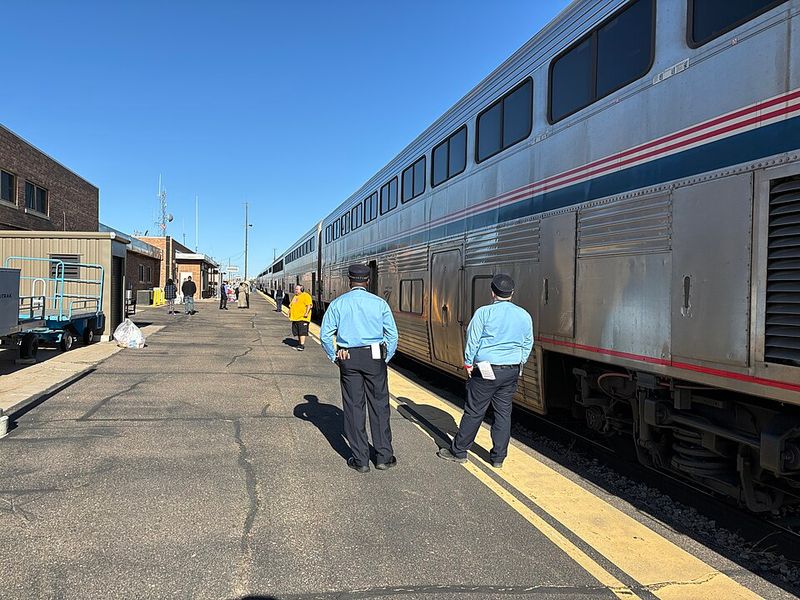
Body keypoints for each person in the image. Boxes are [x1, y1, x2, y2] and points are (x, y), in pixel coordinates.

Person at [437, 274, 533, 469]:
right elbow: (527, 342)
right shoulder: (524, 315)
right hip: (511, 371)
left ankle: (459, 451)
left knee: (474, 411)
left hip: (486, 370)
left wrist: (468, 363)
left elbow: (472, 340)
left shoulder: (483, 313)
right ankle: (498, 457)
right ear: (512, 293)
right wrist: (520, 362)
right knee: (503, 413)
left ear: (492, 292)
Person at [320, 264, 398, 473]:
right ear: (368, 281)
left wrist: (335, 356)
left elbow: (325, 335)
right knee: (379, 406)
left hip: (349, 356)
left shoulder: (338, 303)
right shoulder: (380, 303)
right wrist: (385, 358)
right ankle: (383, 456)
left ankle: (361, 460)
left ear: (349, 280)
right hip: (374, 356)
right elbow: (392, 335)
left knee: (354, 407)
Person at [289, 284, 313, 350]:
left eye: (297, 289)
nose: (295, 290)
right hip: (295, 318)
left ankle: (301, 345)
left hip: (302, 318)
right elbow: (291, 305)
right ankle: (299, 344)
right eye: (295, 289)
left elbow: (309, 305)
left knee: (302, 332)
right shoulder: (295, 296)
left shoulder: (306, 296)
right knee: (298, 332)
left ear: (301, 289)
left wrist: (306, 313)